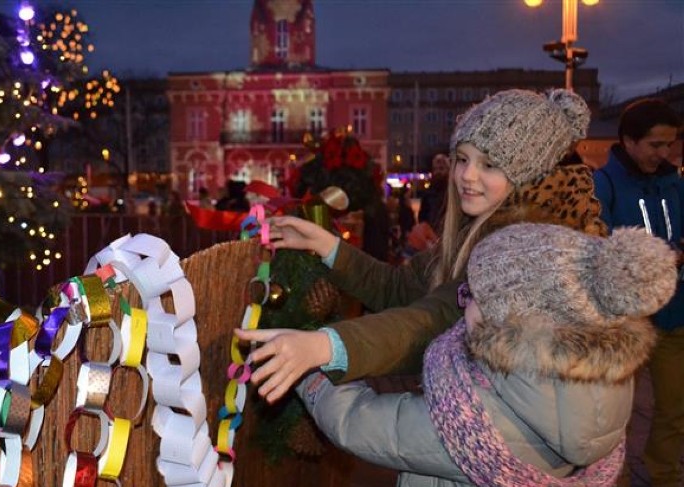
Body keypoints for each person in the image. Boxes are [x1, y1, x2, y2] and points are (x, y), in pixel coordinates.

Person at [295, 222, 677, 487]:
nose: (462, 303)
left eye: (473, 294)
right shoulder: (591, 386)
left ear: (513, 318)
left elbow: (360, 424)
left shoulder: (476, 424)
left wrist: (312, 374)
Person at [236, 88, 607, 403]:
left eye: (490, 165)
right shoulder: (474, 231)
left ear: (528, 178)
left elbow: (431, 322)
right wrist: (329, 246)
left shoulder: (519, 254)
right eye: (463, 159)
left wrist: (325, 346)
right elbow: (401, 289)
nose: (467, 176)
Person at [593, 98, 684, 487]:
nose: (664, 153)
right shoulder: (603, 185)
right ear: (628, 141)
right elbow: (600, 245)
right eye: (654, 144)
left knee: (674, 407)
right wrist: (664, 256)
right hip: (627, 317)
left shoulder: (676, 184)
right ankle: (616, 486)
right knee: (619, 409)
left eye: (670, 144)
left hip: (675, 313)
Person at [418, 152, 450, 232]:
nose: (438, 172)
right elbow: (422, 218)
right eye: (435, 169)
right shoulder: (428, 194)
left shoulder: (454, 193)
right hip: (432, 235)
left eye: (441, 168)